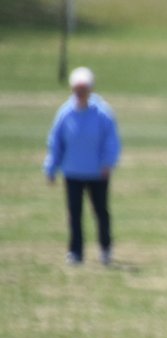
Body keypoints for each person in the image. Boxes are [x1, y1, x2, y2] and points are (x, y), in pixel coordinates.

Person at [44, 66, 122, 266]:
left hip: (97, 172)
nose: (80, 93)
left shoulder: (102, 113)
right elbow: (56, 142)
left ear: (90, 89)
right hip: (73, 171)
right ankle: (76, 252)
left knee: (101, 212)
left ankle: (105, 248)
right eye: (77, 89)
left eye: (84, 89)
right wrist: (51, 167)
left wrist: (108, 163)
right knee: (74, 214)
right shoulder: (65, 113)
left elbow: (111, 141)